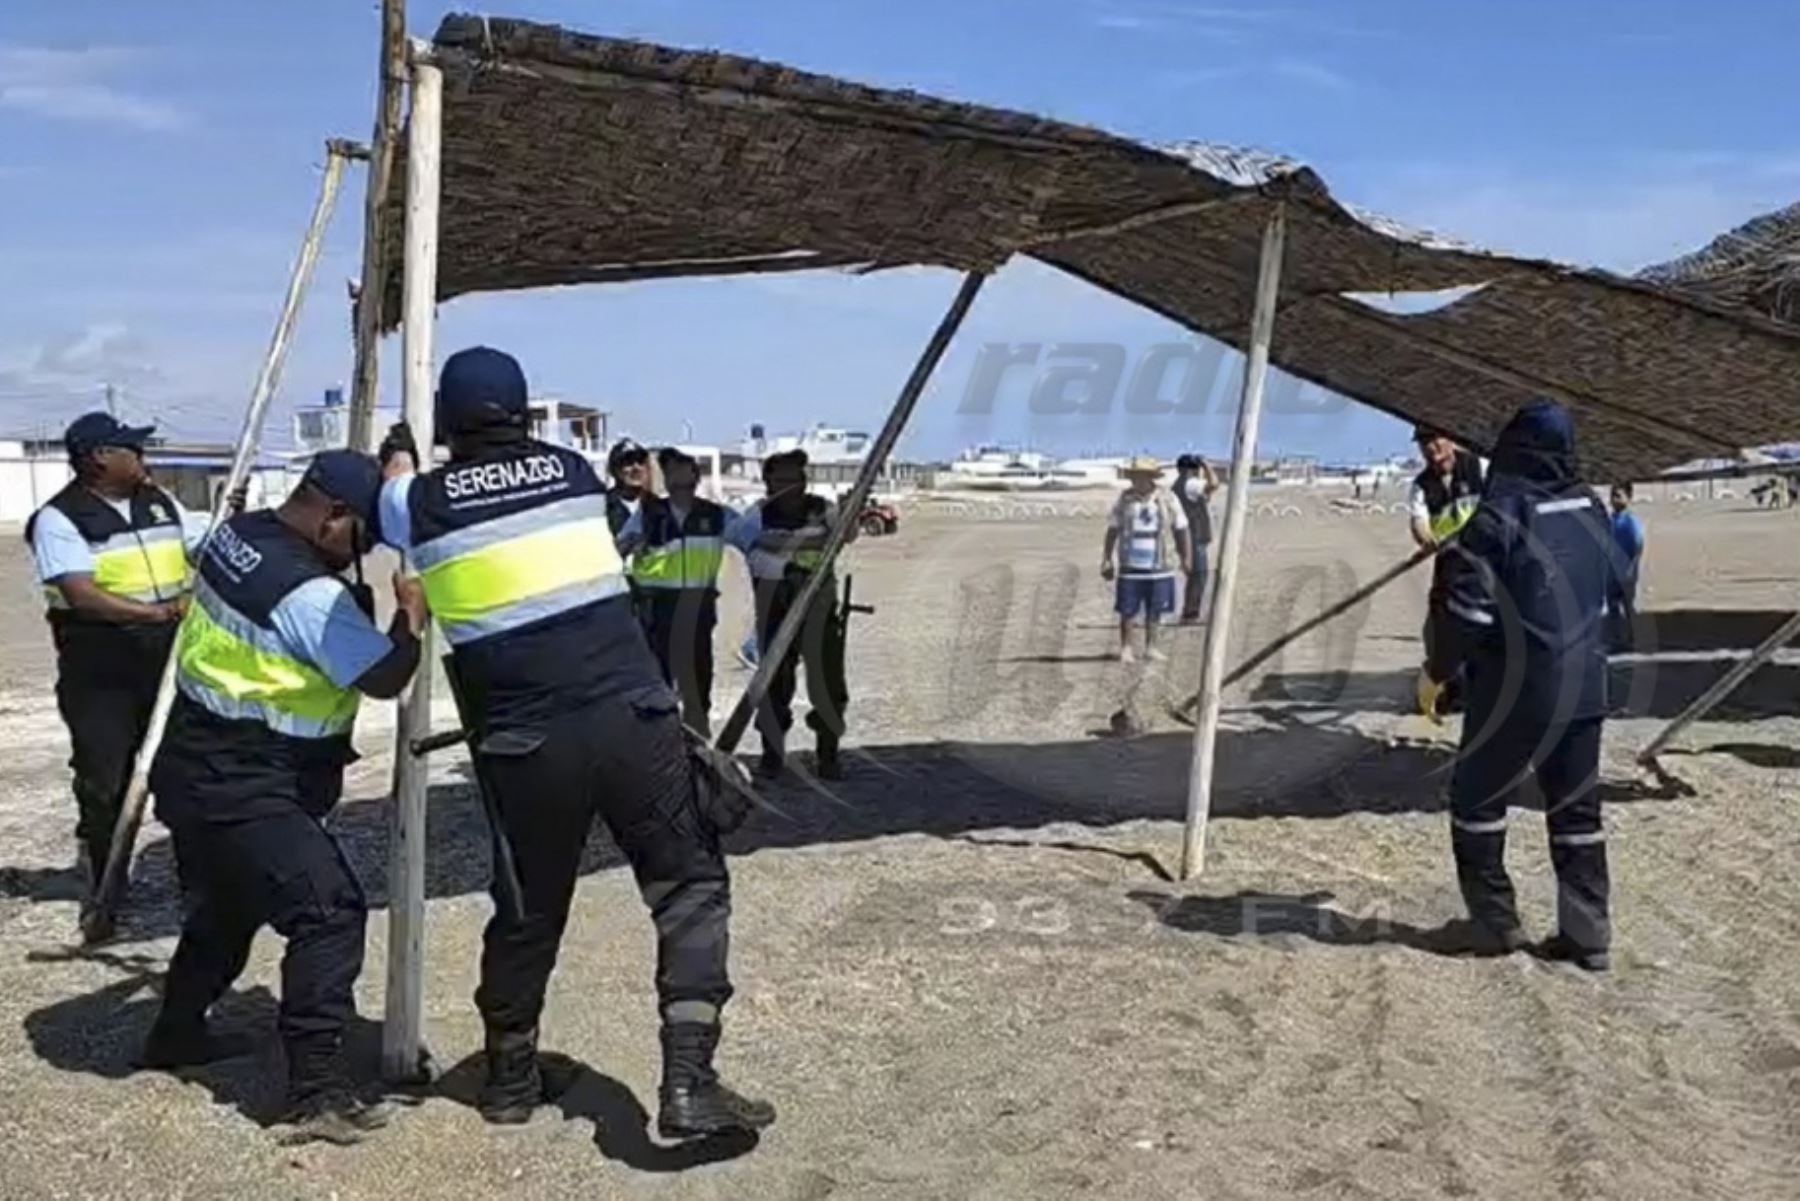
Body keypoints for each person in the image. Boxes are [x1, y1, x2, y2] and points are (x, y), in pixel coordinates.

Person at [376, 346, 771, 1137]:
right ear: (524, 414)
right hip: (632, 718)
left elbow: (388, 488)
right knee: (689, 886)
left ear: (449, 421)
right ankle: (690, 1079)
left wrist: (407, 454)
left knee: (527, 908)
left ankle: (511, 1081)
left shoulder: (413, 501)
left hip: (523, 742)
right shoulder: (572, 473)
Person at [142, 450, 425, 1143]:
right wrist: (407, 619)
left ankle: (174, 1032)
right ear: (333, 515)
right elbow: (385, 676)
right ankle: (315, 1092)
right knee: (328, 909)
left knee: (227, 907)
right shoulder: (304, 592)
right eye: (363, 535)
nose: (365, 552)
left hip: (193, 762)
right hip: (243, 778)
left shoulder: (236, 536)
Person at [1418, 401, 1615, 972]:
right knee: (1578, 813)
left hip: (1515, 690)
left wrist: (1438, 672)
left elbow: (1466, 613)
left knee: (1477, 802)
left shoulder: (1500, 514)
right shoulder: (1591, 508)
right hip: (1586, 686)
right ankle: (1589, 936)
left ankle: (1494, 923)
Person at [26, 412, 203, 930]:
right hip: (101, 669)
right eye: (132, 448)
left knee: (186, 771)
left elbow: (201, 541)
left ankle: (197, 882)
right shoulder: (60, 519)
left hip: (168, 659)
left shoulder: (159, 503)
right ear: (101, 457)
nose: (143, 457)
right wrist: (159, 613)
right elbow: (81, 594)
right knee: (106, 781)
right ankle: (105, 887)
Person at [724, 450, 853, 779]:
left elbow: (842, 536)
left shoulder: (822, 509)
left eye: (795, 478)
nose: (789, 486)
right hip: (775, 612)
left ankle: (828, 753)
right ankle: (772, 754)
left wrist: (847, 517)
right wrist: (814, 541)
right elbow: (760, 542)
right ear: (768, 483)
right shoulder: (756, 516)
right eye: (781, 479)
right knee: (774, 687)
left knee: (828, 686)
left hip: (820, 612)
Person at [618, 447, 730, 736]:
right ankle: (663, 744)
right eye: (670, 471)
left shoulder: (716, 515)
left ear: (696, 475)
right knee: (658, 683)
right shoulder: (648, 513)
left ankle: (698, 743)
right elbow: (617, 550)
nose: (677, 475)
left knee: (698, 680)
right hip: (658, 608)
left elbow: (753, 537)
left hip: (697, 608)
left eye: (683, 468)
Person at [1408, 425, 1486, 707]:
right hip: (1450, 567)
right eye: (1424, 443)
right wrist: (1427, 539)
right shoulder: (1422, 485)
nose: (1431, 448)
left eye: (1435, 439)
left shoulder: (1480, 467)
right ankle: (1447, 686)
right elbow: (1418, 522)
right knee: (1437, 630)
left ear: (1450, 438)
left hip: (1486, 565)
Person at [1101, 456, 1190, 662]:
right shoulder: (1125, 500)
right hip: (1130, 564)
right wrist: (1107, 558)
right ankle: (1126, 648)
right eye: (1134, 477)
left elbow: (1181, 528)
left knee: (1156, 608)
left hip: (1160, 563)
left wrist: (1186, 557)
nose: (1137, 481)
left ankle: (1152, 647)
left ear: (1151, 477)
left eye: (1142, 476)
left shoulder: (1168, 498)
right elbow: (1113, 528)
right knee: (1127, 609)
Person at [1172, 452, 1218, 624]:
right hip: (1194, 535)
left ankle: (1190, 610)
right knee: (1199, 575)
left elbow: (1205, 495)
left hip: (1188, 535)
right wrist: (1206, 465)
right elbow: (1213, 484)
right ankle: (1190, 612)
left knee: (1195, 575)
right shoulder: (1190, 483)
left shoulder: (1179, 485)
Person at [1607, 482, 1645, 653]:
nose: (1614, 499)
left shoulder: (1631, 522)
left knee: (1629, 608)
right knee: (1613, 608)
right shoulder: (1609, 521)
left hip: (1626, 573)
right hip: (1610, 573)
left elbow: (1637, 546)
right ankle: (1616, 640)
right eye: (1612, 495)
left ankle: (1633, 639)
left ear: (1629, 498)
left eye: (1619, 495)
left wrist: (1631, 568)